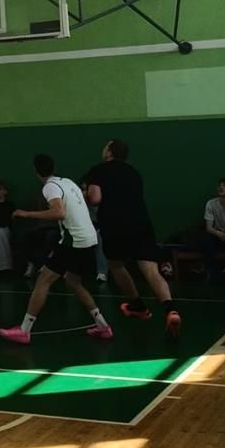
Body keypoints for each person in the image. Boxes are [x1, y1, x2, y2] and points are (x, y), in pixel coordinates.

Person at [0, 155, 113, 345]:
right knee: (73, 281)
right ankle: (103, 326)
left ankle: (24, 331)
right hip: (89, 239)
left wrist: (26, 214)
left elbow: (59, 212)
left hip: (74, 241)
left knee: (43, 280)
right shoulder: (67, 182)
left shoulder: (50, 187)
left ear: (36, 171)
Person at [84, 140, 181, 340]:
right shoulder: (134, 172)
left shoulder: (98, 170)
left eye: (105, 146)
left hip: (114, 224)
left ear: (109, 151)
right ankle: (170, 309)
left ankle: (137, 304)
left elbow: (95, 198)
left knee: (116, 265)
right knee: (151, 270)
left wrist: (84, 194)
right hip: (141, 222)